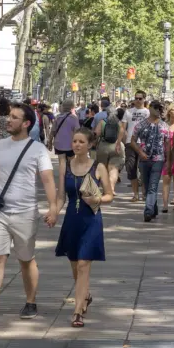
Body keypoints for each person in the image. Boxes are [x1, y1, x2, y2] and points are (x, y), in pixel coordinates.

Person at [0, 103, 59, 324]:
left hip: (25, 213)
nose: (8, 120)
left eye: (14, 117)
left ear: (26, 123)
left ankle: (30, 302)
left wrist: (53, 207)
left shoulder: (38, 149)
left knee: (26, 259)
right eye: (9, 116)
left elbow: (47, 180)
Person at [53, 127, 113, 328]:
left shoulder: (98, 167)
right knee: (74, 265)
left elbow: (109, 195)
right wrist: (53, 212)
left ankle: (77, 311)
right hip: (72, 219)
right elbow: (61, 195)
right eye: (74, 141)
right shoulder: (65, 165)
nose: (77, 145)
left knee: (83, 264)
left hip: (91, 220)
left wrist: (97, 199)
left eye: (81, 142)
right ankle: (85, 294)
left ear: (90, 144)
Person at [128, 100, 167, 221]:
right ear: (150, 108)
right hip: (144, 159)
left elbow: (167, 144)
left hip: (158, 159)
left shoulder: (164, 126)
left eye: (160, 108)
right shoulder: (140, 124)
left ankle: (148, 212)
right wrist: (140, 152)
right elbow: (132, 140)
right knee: (146, 185)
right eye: (156, 108)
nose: (158, 110)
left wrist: (168, 159)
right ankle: (153, 208)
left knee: (153, 186)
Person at [122, 91, 149, 201]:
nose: (137, 100)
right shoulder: (128, 112)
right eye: (136, 98)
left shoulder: (147, 112)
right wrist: (122, 141)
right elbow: (123, 128)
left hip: (143, 143)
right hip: (130, 143)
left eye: (140, 98)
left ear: (144, 99)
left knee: (144, 169)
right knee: (131, 168)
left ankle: (144, 193)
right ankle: (135, 194)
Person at [94, 103, 126, 194]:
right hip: (116, 146)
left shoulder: (102, 122)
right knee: (114, 169)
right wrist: (119, 143)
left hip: (103, 147)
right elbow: (122, 133)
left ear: (106, 113)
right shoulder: (119, 122)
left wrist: (94, 143)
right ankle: (111, 188)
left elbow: (97, 134)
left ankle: (105, 189)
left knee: (102, 168)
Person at [159, 104, 174, 213]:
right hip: (166, 156)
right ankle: (165, 205)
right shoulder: (164, 125)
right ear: (169, 112)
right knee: (166, 180)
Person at [51, 99, 80, 170]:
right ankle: (70, 177)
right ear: (72, 107)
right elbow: (77, 132)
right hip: (70, 144)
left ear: (63, 107)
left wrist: (49, 142)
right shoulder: (74, 118)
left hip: (59, 144)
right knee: (71, 162)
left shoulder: (58, 117)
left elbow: (53, 131)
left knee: (62, 162)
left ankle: (62, 179)